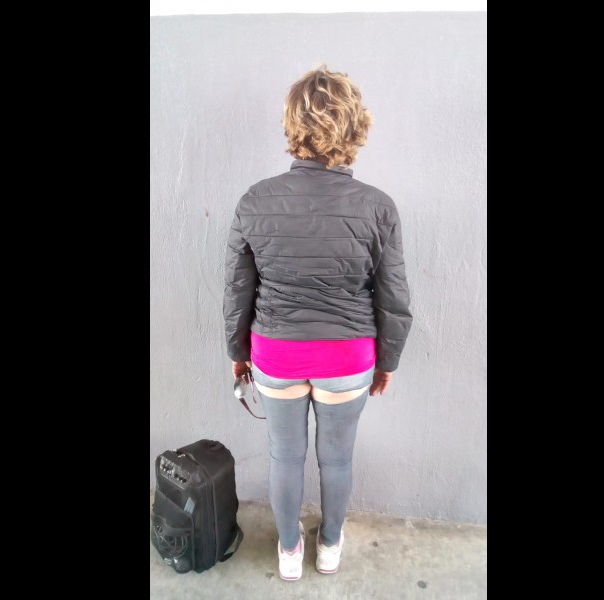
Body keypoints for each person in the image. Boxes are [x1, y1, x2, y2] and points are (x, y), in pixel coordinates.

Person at [223, 65, 412, 581]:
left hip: (276, 352)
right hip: (348, 357)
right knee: (338, 460)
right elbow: (394, 298)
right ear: (354, 126)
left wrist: (238, 353)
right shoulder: (378, 207)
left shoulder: (255, 200)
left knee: (284, 458)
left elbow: (238, 291)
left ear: (293, 124)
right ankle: (329, 547)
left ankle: (289, 552)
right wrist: (387, 360)